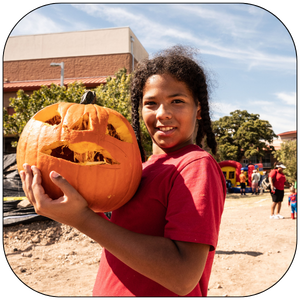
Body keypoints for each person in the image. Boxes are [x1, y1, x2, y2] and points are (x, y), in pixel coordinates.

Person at [20, 46, 226, 297]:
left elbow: (183, 277)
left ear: (198, 110)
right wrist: (58, 198)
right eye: (151, 103)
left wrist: (82, 219)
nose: (163, 113)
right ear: (140, 110)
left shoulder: (195, 165)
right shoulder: (139, 169)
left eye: (177, 101)